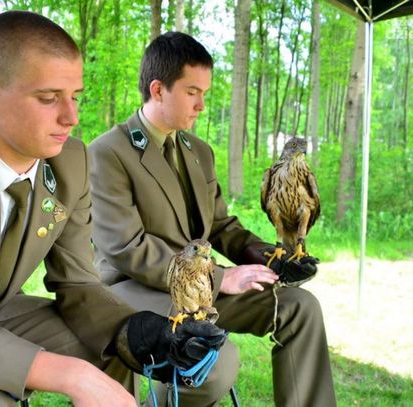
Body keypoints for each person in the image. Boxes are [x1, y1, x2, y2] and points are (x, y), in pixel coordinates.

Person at [0, 13, 226, 406]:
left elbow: (78, 284)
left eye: (74, 96)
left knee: (117, 347)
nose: (70, 117)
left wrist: (140, 332)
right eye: (47, 98)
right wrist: (72, 374)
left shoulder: (69, 161)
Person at [89, 31, 337, 407]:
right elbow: (127, 249)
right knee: (215, 363)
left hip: (201, 290)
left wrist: (271, 257)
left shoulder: (198, 151)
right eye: (192, 92)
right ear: (158, 90)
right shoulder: (108, 152)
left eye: (204, 93)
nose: (202, 105)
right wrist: (221, 278)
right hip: (135, 290)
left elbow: (220, 226)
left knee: (299, 308)